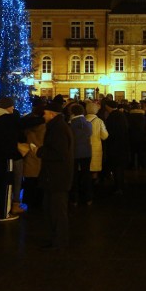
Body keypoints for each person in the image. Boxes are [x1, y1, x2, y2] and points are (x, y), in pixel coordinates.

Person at [37, 100, 74, 251]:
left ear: (52, 114)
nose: (43, 116)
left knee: (57, 210)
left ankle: (59, 240)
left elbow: (59, 153)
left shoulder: (58, 128)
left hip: (57, 176)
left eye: (45, 113)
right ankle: (55, 238)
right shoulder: (57, 126)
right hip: (54, 175)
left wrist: (38, 151)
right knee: (51, 209)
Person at [69, 103, 93, 206]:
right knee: (86, 174)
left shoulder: (71, 124)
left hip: (74, 152)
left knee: (74, 175)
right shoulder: (88, 124)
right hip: (87, 152)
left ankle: (74, 198)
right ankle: (88, 197)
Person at [103, 100, 129, 194]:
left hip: (115, 145)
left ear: (108, 107)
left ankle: (118, 187)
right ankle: (120, 184)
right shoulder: (121, 115)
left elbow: (110, 131)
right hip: (122, 145)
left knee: (116, 167)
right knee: (120, 167)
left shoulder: (112, 116)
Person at [85, 102, 108, 183]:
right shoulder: (99, 121)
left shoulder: (82, 120)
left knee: (85, 168)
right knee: (94, 169)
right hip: (96, 148)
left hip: (84, 148)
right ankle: (94, 185)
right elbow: (104, 136)